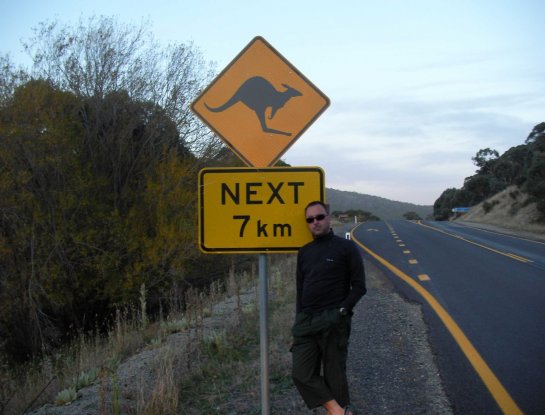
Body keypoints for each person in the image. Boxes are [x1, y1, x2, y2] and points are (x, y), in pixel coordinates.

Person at [291, 201, 366, 415]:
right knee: (301, 373)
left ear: (328, 217)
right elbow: (300, 290)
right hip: (307, 321)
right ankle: (338, 411)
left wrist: (342, 311)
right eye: (310, 219)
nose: (315, 222)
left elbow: (359, 286)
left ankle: (339, 409)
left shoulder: (346, 247)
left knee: (335, 375)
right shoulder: (304, 252)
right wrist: (298, 320)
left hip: (334, 320)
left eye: (319, 217)